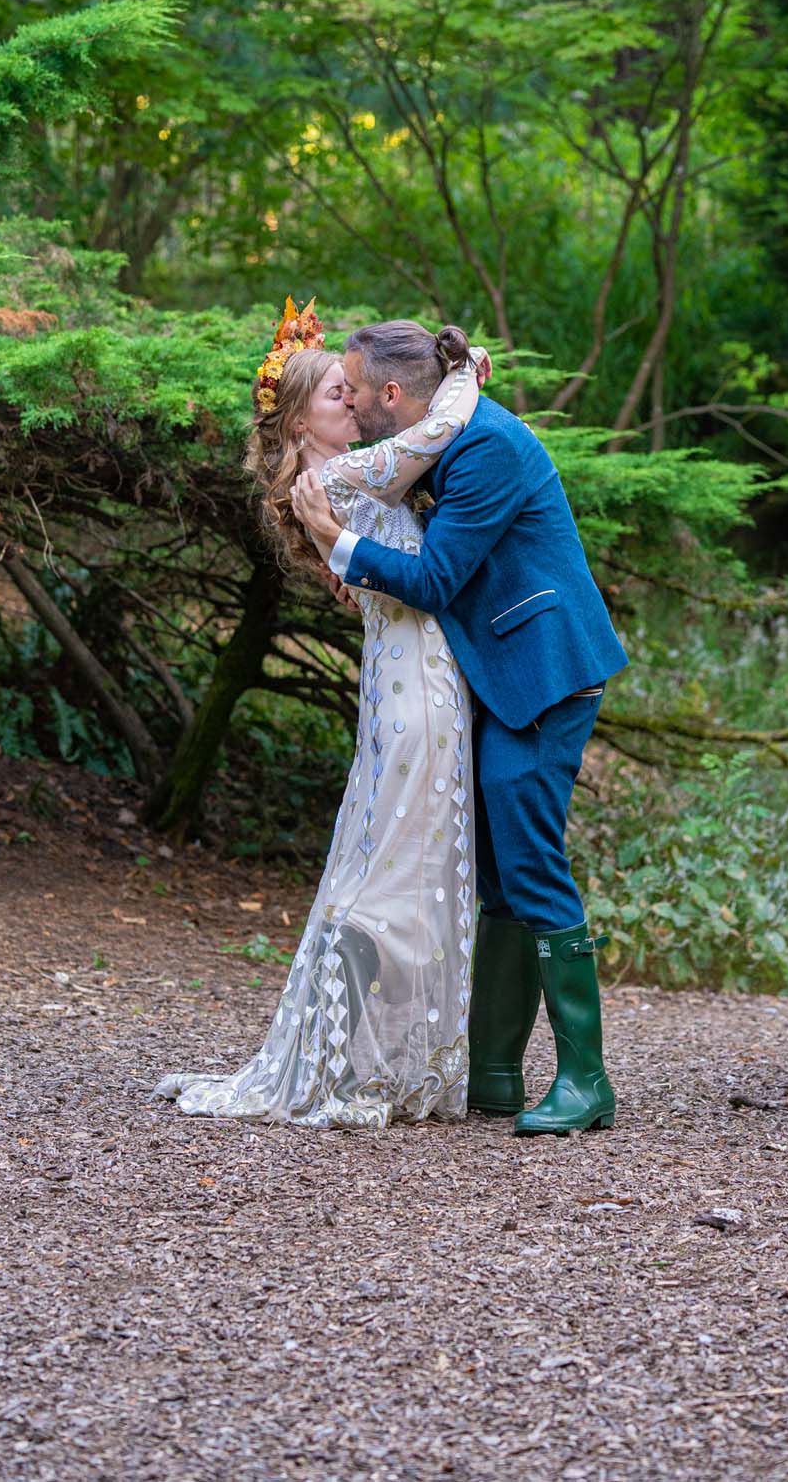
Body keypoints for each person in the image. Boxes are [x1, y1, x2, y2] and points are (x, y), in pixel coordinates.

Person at [292, 319, 628, 1136]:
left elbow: (438, 578)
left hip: (544, 669)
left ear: (392, 394)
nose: (350, 404)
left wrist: (338, 542)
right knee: (500, 872)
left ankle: (586, 1080)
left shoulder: (483, 449)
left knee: (530, 861)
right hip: (505, 670)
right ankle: (496, 1074)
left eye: (355, 391)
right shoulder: (439, 432)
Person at [153, 298, 483, 1129]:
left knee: (391, 870)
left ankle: (354, 1059)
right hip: (416, 689)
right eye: (341, 393)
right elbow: (439, 428)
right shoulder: (344, 476)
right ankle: (348, 1065)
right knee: (390, 878)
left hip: (405, 683)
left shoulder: (344, 479)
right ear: (301, 420)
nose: (360, 402)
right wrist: (463, 370)